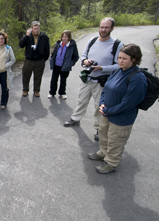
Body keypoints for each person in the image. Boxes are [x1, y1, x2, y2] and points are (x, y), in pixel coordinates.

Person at [87, 44, 147, 174]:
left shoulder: (138, 78)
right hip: (107, 112)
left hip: (121, 118)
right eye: (119, 58)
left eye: (124, 58)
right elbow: (106, 88)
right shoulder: (117, 70)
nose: (120, 61)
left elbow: (128, 103)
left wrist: (109, 110)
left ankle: (111, 162)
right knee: (104, 134)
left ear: (134, 59)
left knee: (115, 140)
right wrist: (102, 104)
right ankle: (103, 152)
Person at [64, 17, 123, 141]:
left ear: (112, 28)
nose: (103, 30)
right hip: (88, 78)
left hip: (103, 81)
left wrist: (102, 68)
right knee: (81, 100)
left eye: (106, 27)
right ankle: (75, 119)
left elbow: (119, 65)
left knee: (99, 106)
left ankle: (99, 129)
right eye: (102, 27)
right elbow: (83, 56)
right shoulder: (92, 41)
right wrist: (85, 61)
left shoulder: (117, 44)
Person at [19, 21, 50, 97]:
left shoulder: (44, 37)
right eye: (35, 28)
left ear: (39, 28)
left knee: (38, 77)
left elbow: (47, 49)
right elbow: (21, 45)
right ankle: (25, 90)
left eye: (38, 28)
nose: (36, 30)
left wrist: (43, 59)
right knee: (26, 76)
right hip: (28, 61)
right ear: (32, 29)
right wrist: (26, 36)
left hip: (39, 61)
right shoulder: (28, 37)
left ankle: (36, 90)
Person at [48, 30, 79, 100]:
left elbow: (76, 57)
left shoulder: (72, 45)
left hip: (65, 66)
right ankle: (52, 92)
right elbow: (53, 53)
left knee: (63, 80)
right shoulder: (58, 44)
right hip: (56, 65)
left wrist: (70, 64)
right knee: (53, 80)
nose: (64, 38)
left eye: (66, 37)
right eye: (63, 37)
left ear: (69, 37)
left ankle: (62, 93)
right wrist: (52, 60)